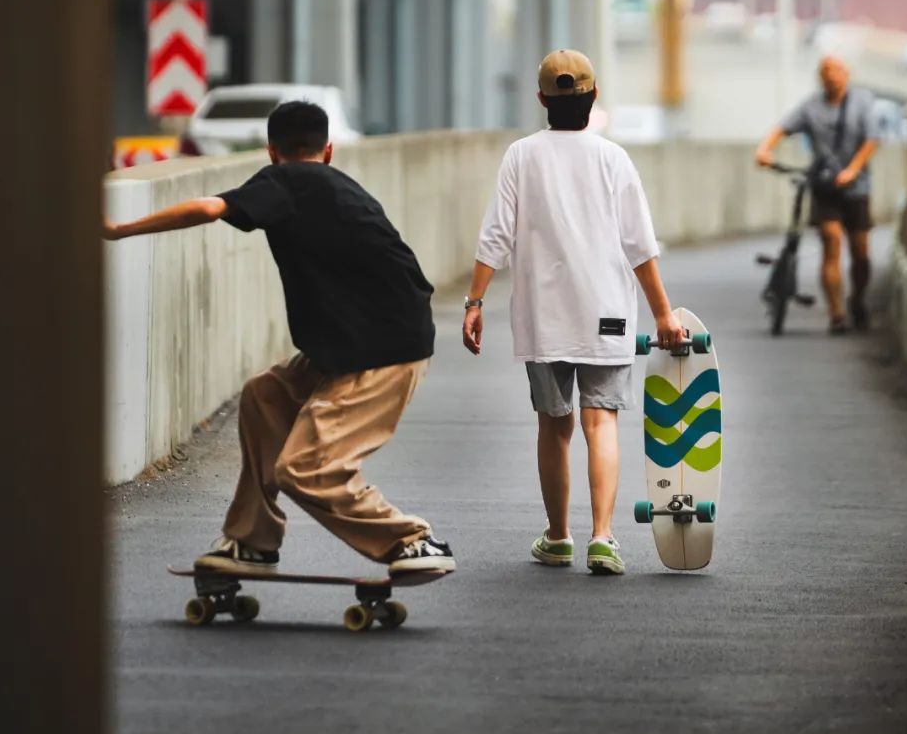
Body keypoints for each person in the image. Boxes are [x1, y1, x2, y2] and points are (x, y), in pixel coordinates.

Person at [102, 100, 454, 577]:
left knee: (307, 466)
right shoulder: (342, 188)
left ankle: (413, 541)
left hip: (380, 354)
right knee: (265, 396)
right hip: (360, 342)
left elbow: (208, 207)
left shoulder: (282, 182)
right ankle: (252, 540)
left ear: (271, 152)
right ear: (328, 151)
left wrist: (119, 230)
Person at [463, 49, 684, 577]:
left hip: (544, 315)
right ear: (594, 97)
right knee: (600, 420)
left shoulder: (520, 155)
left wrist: (475, 302)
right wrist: (663, 315)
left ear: (541, 100)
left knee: (553, 425)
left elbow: (495, 233)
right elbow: (640, 246)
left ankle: (559, 537)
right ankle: (602, 538)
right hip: (606, 310)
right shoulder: (613, 159)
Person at [755, 55, 880, 334]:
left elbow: (872, 140)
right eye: (826, 71)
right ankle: (837, 314)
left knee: (860, 254)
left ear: (847, 74)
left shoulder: (862, 102)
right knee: (831, 241)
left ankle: (857, 299)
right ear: (819, 76)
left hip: (856, 186)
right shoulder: (811, 107)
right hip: (824, 186)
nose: (831, 76)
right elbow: (782, 128)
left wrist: (852, 170)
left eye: (836, 70)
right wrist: (764, 150)